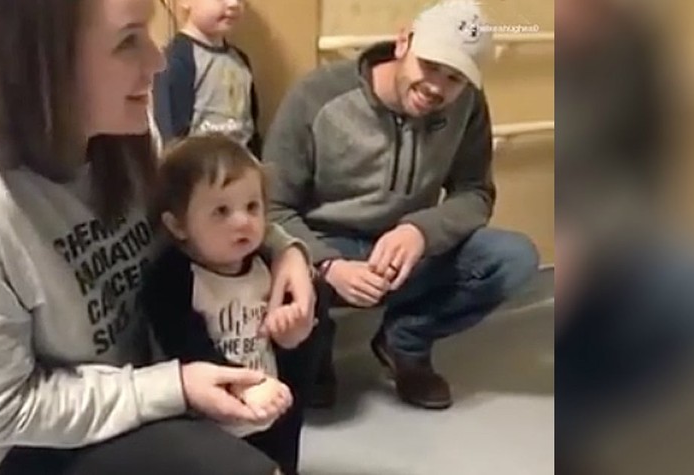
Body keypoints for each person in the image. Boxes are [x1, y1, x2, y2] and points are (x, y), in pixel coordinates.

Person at [0, 1, 316, 475]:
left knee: (303, 313)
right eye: (128, 41)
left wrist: (283, 249)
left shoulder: (126, 131)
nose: (158, 60)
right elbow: (3, 409)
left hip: (144, 373)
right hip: (23, 443)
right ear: (42, 63)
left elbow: (190, 215)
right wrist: (175, 388)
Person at [262, 0, 539, 410]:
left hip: (407, 253)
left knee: (513, 258)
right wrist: (328, 264)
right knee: (271, 262)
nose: (437, 88)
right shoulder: (315, 96)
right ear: (403, 42)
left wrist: (421, 231)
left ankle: (404, 341)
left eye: (456, 77)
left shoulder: (467, 106)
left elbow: (475, 192)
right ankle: (315, 353)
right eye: (430, 65)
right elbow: (273, 208)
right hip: (324, 246)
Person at [143, 134, 329, 475]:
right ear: (177, 225)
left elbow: (285, 341)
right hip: (208, 422)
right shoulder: (173, 278)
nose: (243, 221)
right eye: (221, 211)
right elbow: (187, 347)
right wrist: (245, 386)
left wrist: (293, 330)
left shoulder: (264, 262)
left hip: (269, 404)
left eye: (252, 207)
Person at [152, 0, 262, 155]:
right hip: (199, 171)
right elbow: (171, 137)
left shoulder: (240, 61)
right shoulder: (178, 59)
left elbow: (251, 128)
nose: (233, 4)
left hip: (240, 168)